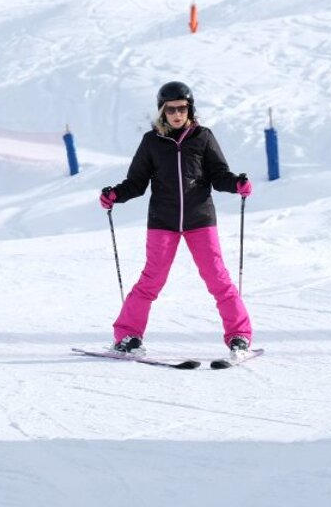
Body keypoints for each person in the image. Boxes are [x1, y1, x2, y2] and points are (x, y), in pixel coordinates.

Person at [99, 81, 253, 357]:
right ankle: (127, 336)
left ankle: (239, 336)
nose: (177, 114)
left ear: (190, 109)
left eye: (182, 108)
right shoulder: (151, 142)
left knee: (218, 279)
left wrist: (236, 184)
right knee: (151, 280)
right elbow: (136, 182)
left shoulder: (203, 137)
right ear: (162, 112)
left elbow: (219, 176)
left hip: (200, 218)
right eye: (171, 109)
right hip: (163, 220)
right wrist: (115, 195)